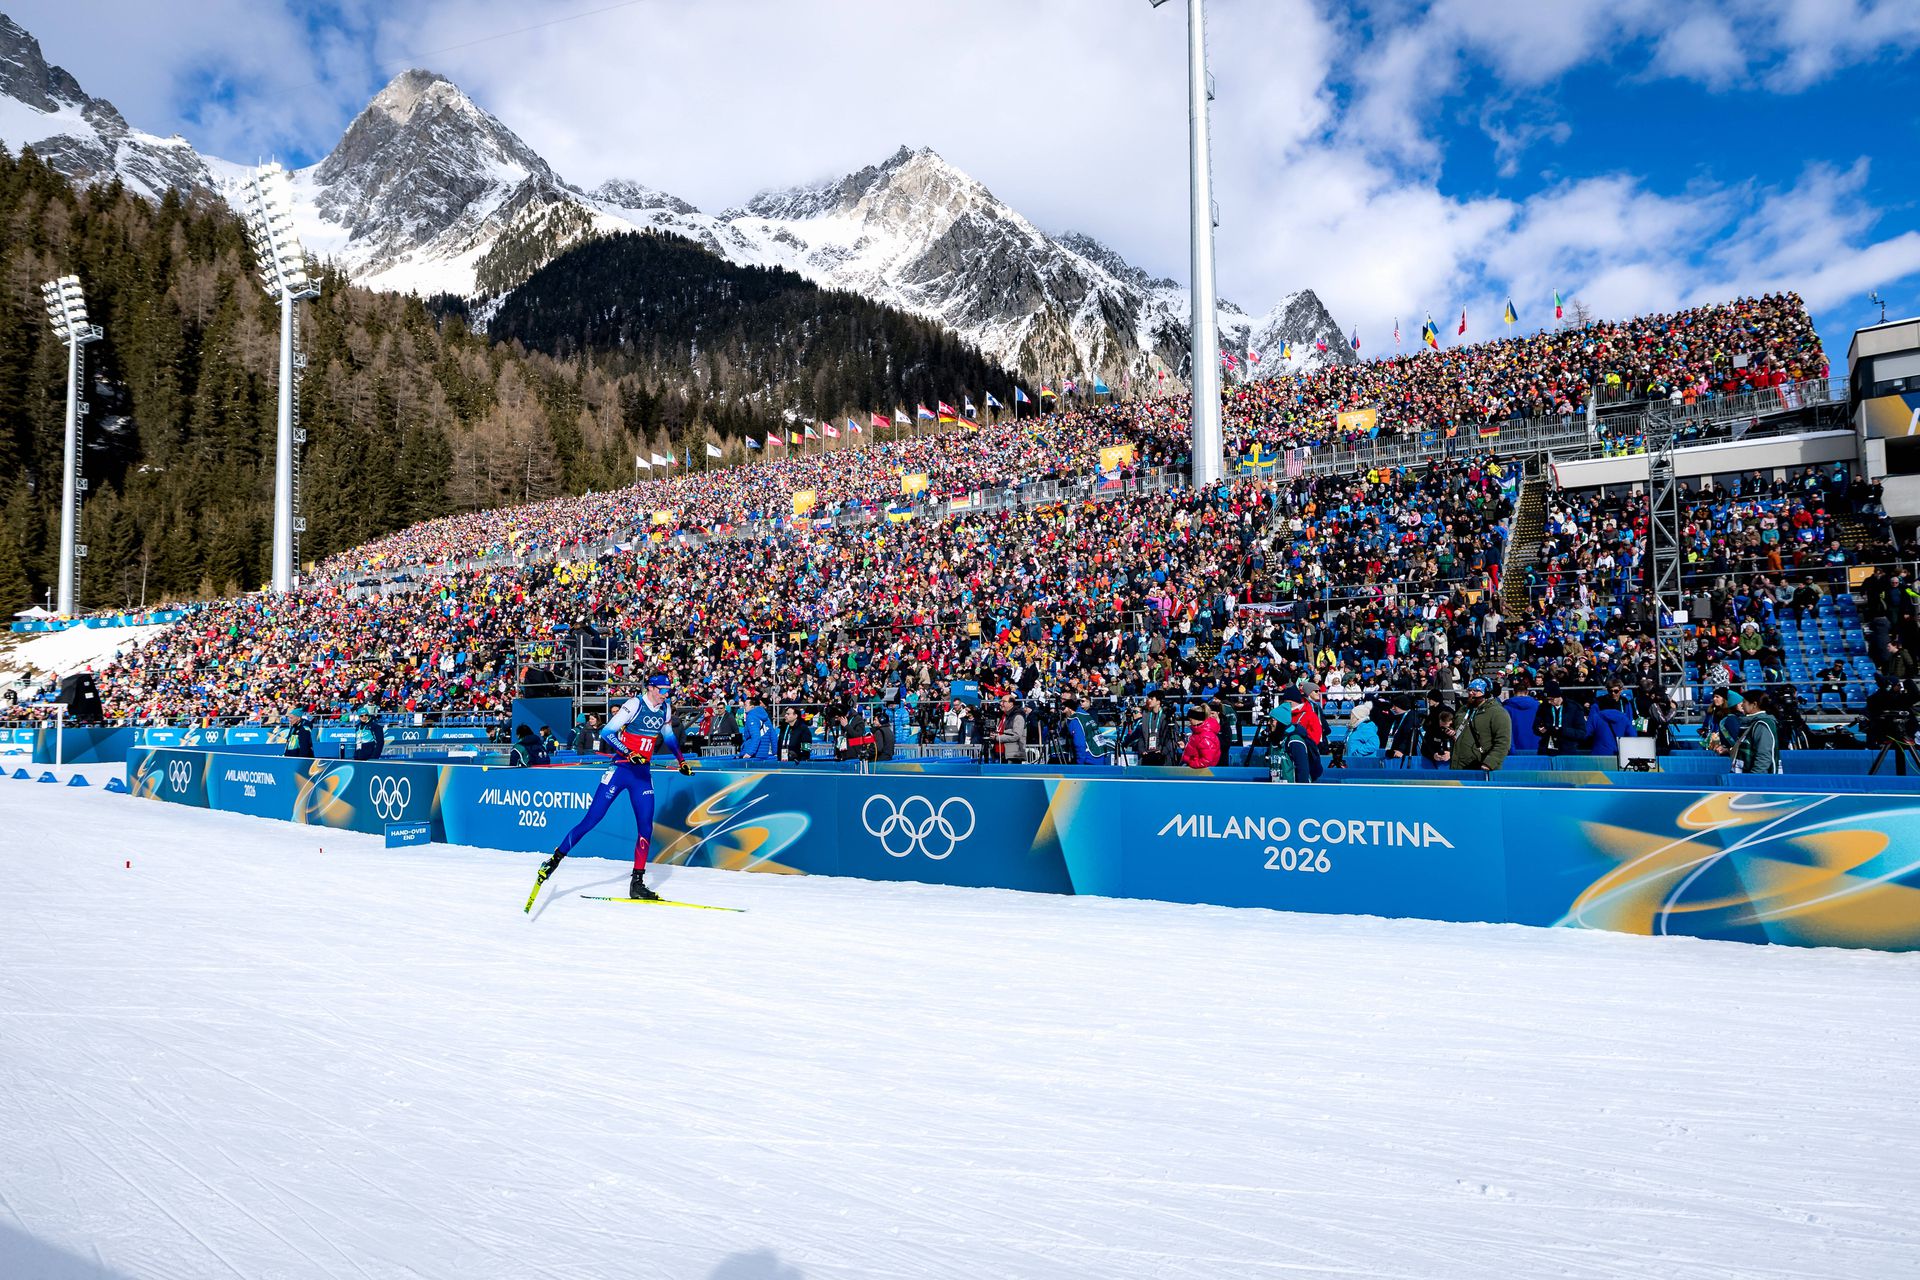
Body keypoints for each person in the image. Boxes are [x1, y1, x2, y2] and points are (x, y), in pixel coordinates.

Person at [531, 673, 694, 904]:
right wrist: (629, 753)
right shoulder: (635, 704)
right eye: (663, 690)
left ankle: (637, 883)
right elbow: (607, 732)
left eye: (669, 690)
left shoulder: (665, 709)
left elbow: (668, 737)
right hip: (620, 771)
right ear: (651, 688)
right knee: (592, 820)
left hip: (641, 775)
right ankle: (553, 861)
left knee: (646, 828)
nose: (666, 694)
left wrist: (681, 761)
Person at [1451, 678, 1513, 772]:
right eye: (1469, 690)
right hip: (1458, 766)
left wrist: (1489, 763)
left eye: (1476, 690)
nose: (1471, 693)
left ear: (1486, 693)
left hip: (1481, 768)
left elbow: (1503, 742)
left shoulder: (1498, 713)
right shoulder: (1463, 710)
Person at [1733, 689, 1781, 775]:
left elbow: (1764, 757)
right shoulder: (1752, 723)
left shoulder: (1762, 725)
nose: (1741, 705)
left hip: (1757, 781)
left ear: (1754, 704)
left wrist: (1754, 779)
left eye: (1744, 702)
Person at [1533, 683, 1581, 757]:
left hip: (1567, 751)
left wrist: (1561, 730)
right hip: (1546, 750)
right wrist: (1540, 729)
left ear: (1558, 696)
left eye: (1551, 699)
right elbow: (1535, 726)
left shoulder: (1574, 708)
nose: (1549, 702)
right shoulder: (1543, 707)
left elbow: (1581, 732)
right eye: (1547, 699)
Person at [988, 695, 1027, 763]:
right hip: (999, 754)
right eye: (1001, 701)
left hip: (1012, 756)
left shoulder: (1018, 717)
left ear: (1011, 703)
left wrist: (997, 737)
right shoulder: (1002, 716)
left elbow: (1016, 735)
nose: (1001, 704)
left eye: (1004, 702)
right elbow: (1000, 731)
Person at [1181, 704, 1221, 769]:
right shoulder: (1197, 732)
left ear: (1198, 719)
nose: (1189, 721)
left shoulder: (1206, 737)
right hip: (1192, 767)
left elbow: (1207, 760)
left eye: (1191, 719)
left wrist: (1191, 764)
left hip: (1198, 771)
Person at [740, 696, 775, 760]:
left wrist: (749, 753)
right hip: (764, 753)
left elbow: (756, 736)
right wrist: (775, 752)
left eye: (746, 705)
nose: (744, 707)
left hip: (753, 754)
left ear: (752, 707)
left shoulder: (751, 716)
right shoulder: (766, 717)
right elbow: (773, 735)